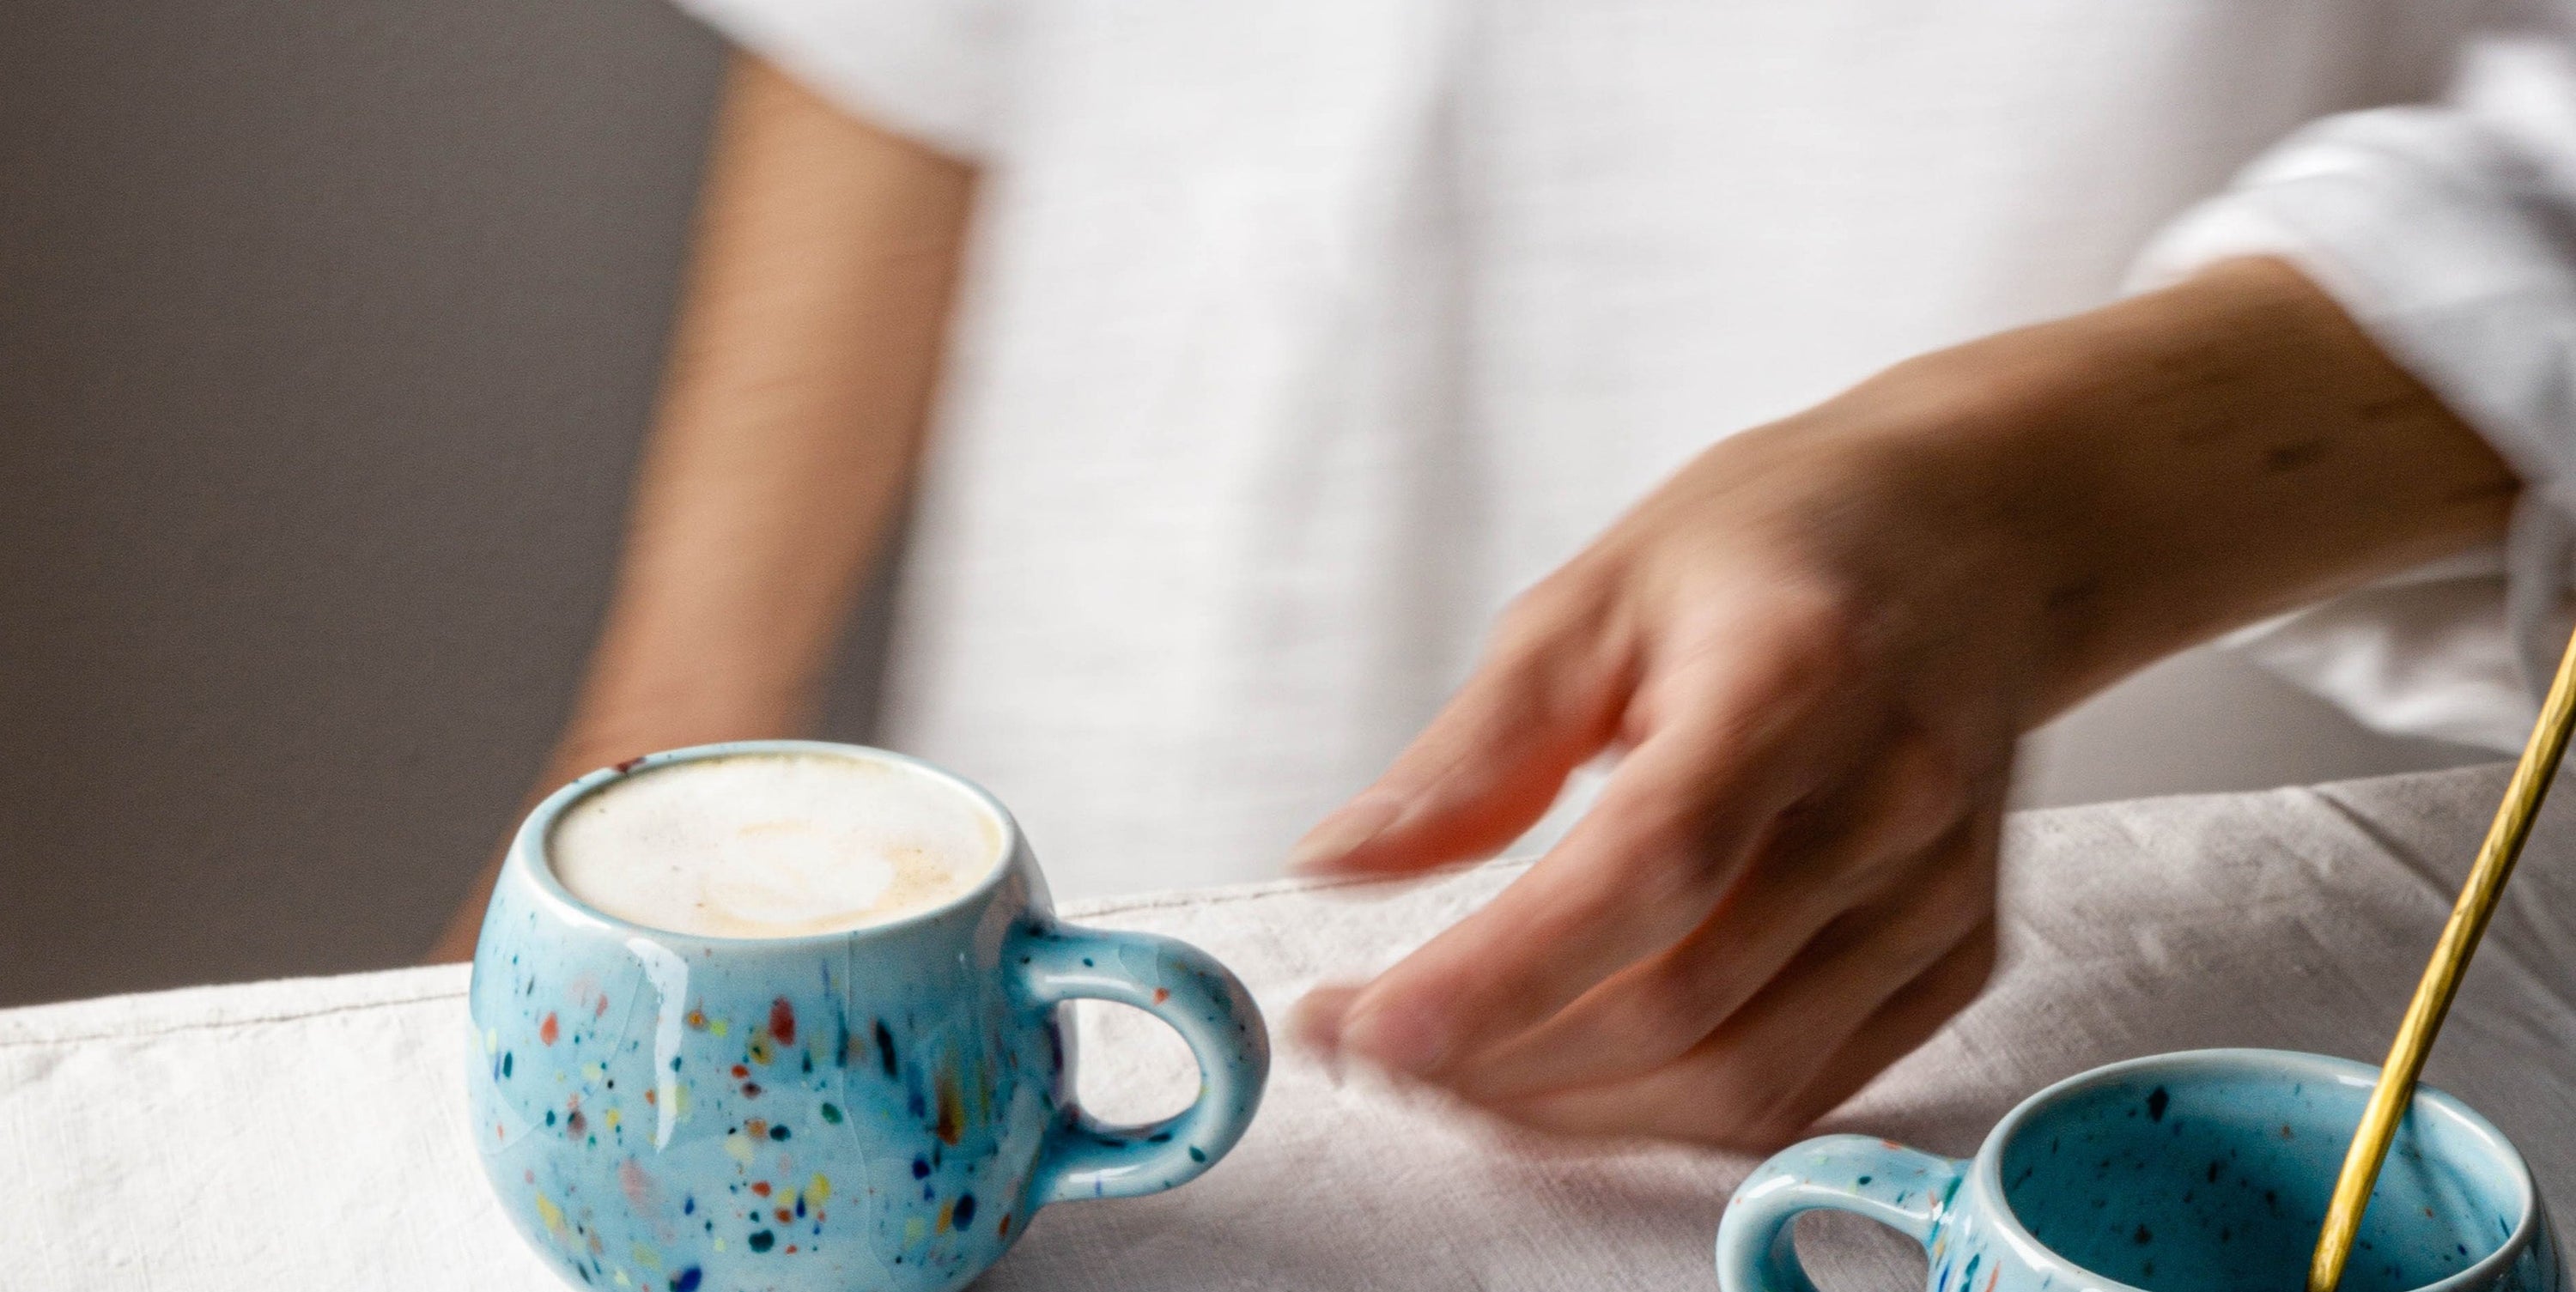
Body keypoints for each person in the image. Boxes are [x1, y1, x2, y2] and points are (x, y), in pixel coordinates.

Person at [438, 9, 2576, 1146]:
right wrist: (639, 767)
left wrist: (2045, 512)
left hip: (2096, 911)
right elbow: (905, 38)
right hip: (1135, 660)